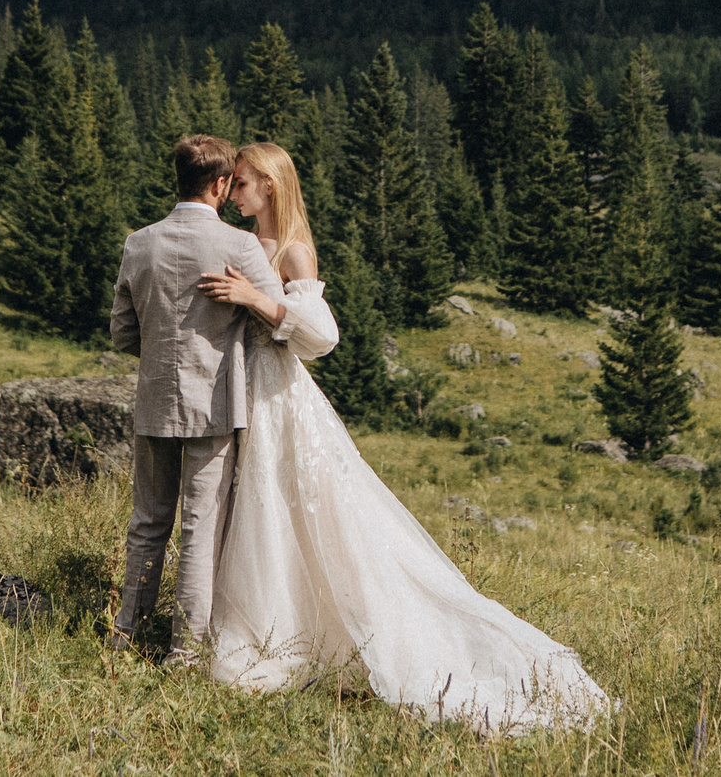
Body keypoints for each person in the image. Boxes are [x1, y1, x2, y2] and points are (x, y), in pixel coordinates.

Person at [197, 141, 612, 733]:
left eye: (240, 183)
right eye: (231, 184)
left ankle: (310, 638)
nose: (233, 192)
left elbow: (321, 334)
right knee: (267, 510)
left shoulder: (293, 251)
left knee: (299, 505)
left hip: (280, 392)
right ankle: (285, 626)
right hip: (245, 386)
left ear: (269, 184)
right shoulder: (247, 242)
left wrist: (257, 299)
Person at [108, 132, 284, 664]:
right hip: (215, 404)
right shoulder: (238, 246)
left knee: (148, 523)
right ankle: (183, 652)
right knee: (199, 528)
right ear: (220, 182)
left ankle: (125, 635)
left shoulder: (139, 243)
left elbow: (121, 333)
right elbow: (280, 321)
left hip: (155, 400)